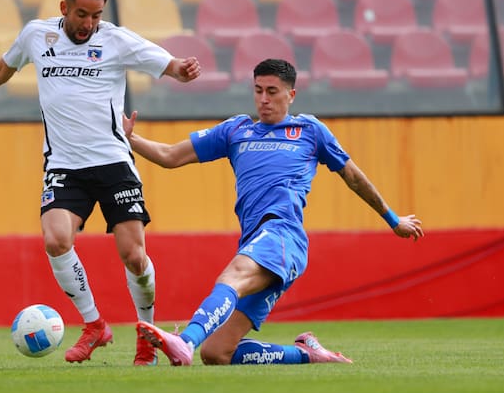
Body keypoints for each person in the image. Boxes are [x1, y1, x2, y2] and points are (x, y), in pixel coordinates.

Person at [0, 0, 201, 366]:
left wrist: (181, 69)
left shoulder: (115, 39)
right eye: (82, 14)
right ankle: (95, 325)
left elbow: (166, 63)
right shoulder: (37, 36)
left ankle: (147, 334)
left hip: (113, 162)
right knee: (55, 239)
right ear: (64, 8)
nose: (89, 23)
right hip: (64, 164)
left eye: (96, 15)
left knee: (134, 257)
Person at [124, 58, 424, 366]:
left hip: (283, 236)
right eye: (258, 91)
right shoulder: (235, 130)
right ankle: (308, 354)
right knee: (217, 353)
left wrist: (393, 219)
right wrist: (128, 137)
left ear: (291, 95)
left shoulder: (309, 130)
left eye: (272, 91)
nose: (264, 99)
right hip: (256, 242)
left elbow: (353, 176)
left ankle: (185, 342)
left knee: (233, 275)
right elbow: (170, 156)